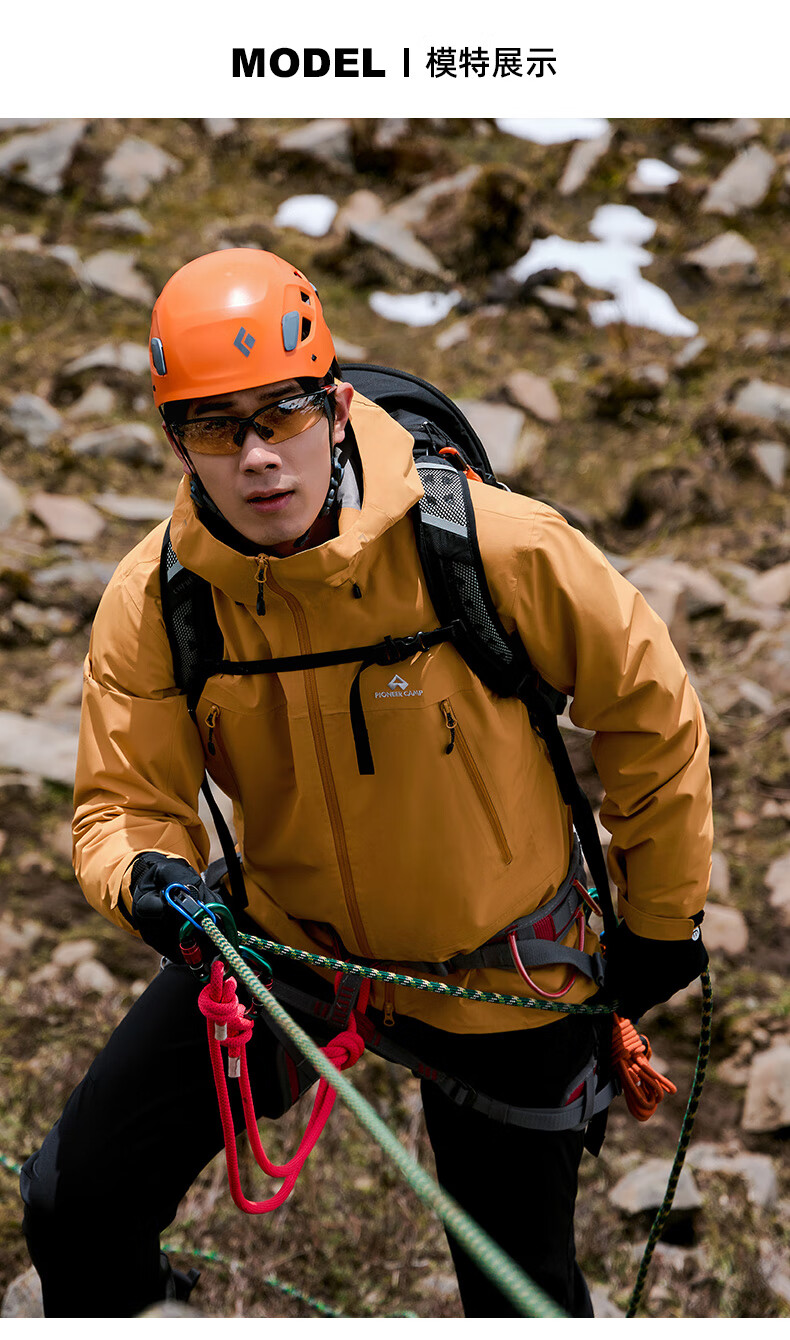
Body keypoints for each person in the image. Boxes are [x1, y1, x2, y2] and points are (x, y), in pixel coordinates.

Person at [20, 248, 713, 1319]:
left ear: (337, 408)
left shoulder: (490, 543)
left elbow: (651, 711)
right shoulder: (156, 598)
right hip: (288, 944)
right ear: (176, 442)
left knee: (516, 1290)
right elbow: (120, 802)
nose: (256, 456)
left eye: (282, 413)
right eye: (216, 426)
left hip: (506, 971)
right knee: (73, 1197)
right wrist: (148, 878)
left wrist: (660, 921)